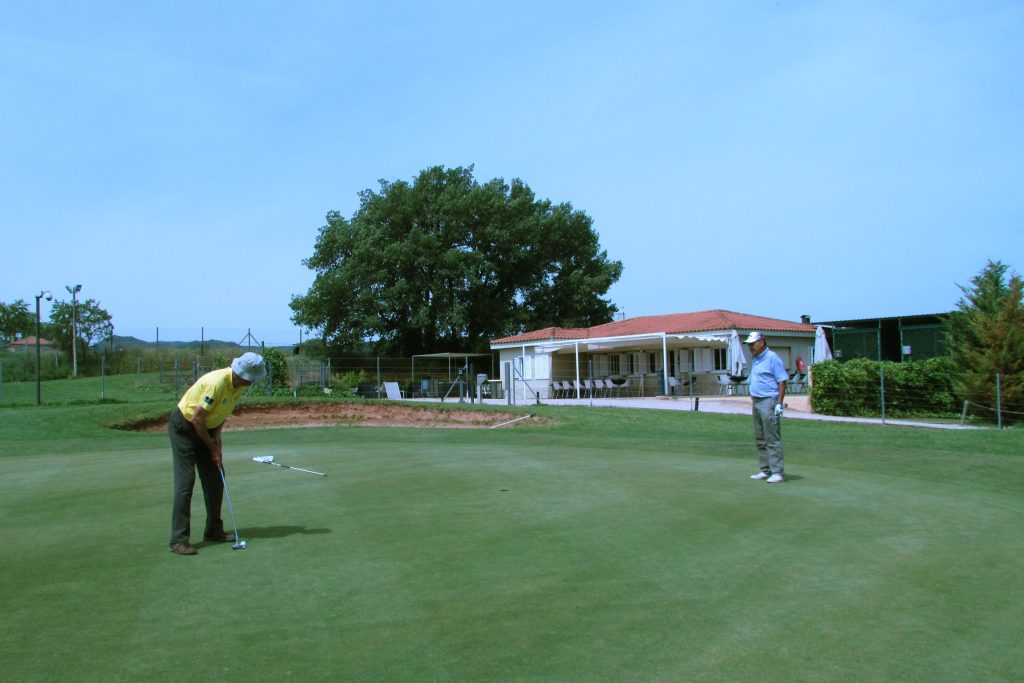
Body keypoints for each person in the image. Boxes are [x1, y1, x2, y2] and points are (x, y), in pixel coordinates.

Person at [168, 352, 266, 555]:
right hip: (184, 428)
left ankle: (213, 530)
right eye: (251, 378)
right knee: (185, 483)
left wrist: (217, 440)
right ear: (241, 374)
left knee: (216, 477)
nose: (252, 382)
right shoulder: (218, 383)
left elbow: (221, 413)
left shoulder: (237, 386)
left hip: (206, 429)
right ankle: (178, 540)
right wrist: (212, 448)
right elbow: (197, 419)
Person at [744, 332, 789, 484]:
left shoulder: (772, 357)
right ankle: (765, 470)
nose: (750, 347)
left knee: (772, 438)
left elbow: (782, 381)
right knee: (760, 438)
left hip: (769, 402)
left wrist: (779, 404)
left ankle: (777, 472)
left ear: (761, 342)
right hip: (756, 401)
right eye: (749, 344)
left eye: (752, 344)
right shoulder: (755, 358)